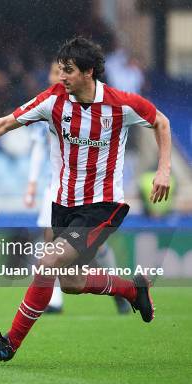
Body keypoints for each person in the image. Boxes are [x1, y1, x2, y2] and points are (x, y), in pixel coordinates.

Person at [0, 37, 171, 361]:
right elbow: (7, 123)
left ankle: (9, 343)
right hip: (63, 205)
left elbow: (161, 121)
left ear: (89, 72)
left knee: (47, 262)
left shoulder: (120, 104)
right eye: (60, 70)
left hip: (102, 206)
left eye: (68, 71)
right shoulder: (53, 101)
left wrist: (163, 169)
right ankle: (132, 290)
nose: (61, 77)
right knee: (73, 282)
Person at [24, 61, 130, 314]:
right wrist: (31, 183)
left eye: (61, 73)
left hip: (88, 189)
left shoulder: (92, 106)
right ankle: (55, 300)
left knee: (94, 249)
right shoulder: (45, 105)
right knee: (51, 241)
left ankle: (118, 288)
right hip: (56, 187)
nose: (57, 77)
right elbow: (38, 147)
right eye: (53, 73)